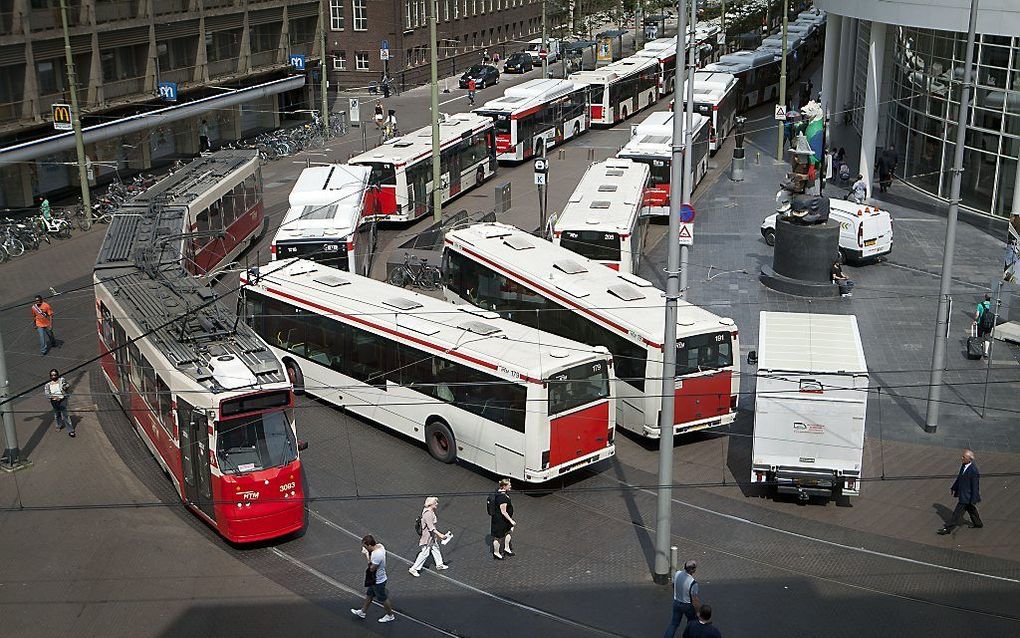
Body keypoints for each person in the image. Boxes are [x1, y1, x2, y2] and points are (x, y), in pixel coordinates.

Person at [352, 535, 396, 623]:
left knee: (383, 598)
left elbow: (371, 568)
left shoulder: (376, 555)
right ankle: (362, 612)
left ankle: (390, 615)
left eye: (365, 546)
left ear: (369, 545)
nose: (365, 548)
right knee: (369, 595)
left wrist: (367, 555)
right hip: (375, 579)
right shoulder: (380, 546)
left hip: (378, 580)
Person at [938, 449, 983, 535]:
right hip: (964, 495)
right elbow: (959, 478)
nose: (961, 458)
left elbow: (975, 486)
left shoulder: (973, 470)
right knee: (971, 509)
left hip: (967, 496)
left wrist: (974, 498)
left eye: (964, 457)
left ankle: (947, 529)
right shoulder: (964, 465)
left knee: (957, 514)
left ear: (969, 459)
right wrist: (954, 487)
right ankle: (978, 524)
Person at [409, 496, 452, 577]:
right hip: (427, 538)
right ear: (431, 504)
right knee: (424, 553)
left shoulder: (430, 511)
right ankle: (413, 569)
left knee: (436, 549)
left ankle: (439, 565)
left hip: (432, 537)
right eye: (435, 503)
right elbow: (431, 528)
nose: (437, 504)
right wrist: (440, 535)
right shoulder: (428, 514)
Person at [663, 560, 701, 638]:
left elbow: (673, 585)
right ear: (692, 570)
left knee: (673, 624)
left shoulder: (677, 574)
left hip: (677, 602)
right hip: (687, 605)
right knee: (691, 623)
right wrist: (698, 612)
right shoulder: (693, 583)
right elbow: (695, 600)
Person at [490, 478, 515, 559]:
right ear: (504, 486)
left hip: (505, 520)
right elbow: (503, 511)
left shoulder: (500, 491)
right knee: (498, 537)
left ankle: (506, 548)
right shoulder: (502, 498)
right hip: (500, 521)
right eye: (509, 485)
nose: (511, 486)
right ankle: (496, 553)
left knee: (508, 532)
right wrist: (511, 520)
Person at [44, 369, 74, 437]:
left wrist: (65, 387)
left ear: (57, 375)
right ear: (50, 376)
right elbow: (47, 394)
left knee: (65, 415)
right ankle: (58, 425)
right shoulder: (47, 385)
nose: (54, 376)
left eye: (55, 375)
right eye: (52, 375)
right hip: (54, 401)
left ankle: (70, 430)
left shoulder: (61, 380)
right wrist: (53, 398)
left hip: (63, 399)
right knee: (57, 414)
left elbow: (67, 385)